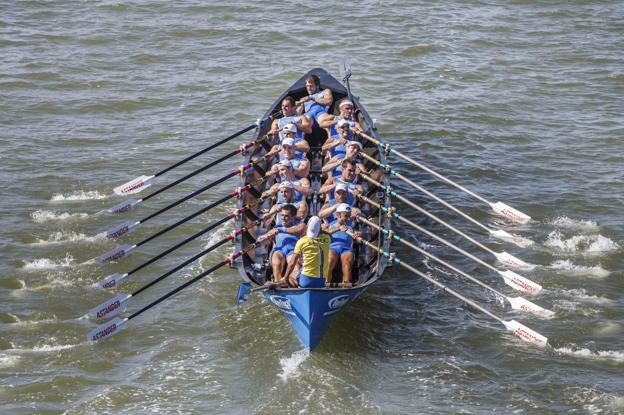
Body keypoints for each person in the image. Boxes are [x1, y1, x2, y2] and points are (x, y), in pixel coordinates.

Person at [258, 204, 305, 283]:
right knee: (277, 263)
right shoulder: (277, 227)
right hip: (279, 250)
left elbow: (297, 230)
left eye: (286, 216)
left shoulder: (300, 225)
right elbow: (265, 238)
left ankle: (293, 282)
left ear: (293, 217)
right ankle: (278, 282)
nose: (283, 218)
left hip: (293, 250)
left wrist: (281, 230)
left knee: (295, 265)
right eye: (282, 215)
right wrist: (263, 239)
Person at [284, 216, 330, 288]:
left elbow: (292, 263)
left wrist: (285, 278)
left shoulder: (302, 241)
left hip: (305, 281)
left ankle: (296, 292)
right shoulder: (327, 238)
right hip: (321, 282)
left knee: (290, 276)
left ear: (308, 226)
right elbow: (327, 233)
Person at [324, 203, 360, 286]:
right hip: (332, 248)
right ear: (338, 215)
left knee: (346, 263)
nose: (348, 219)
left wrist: (358, 235)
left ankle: (346, 286)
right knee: (330, 261)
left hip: (346, 249)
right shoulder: (329, 225)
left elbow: (359, 234)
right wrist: (338, 228)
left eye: (349, 216)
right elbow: (323, 233)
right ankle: (325, 285)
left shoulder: (350, 227)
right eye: (345, 216)